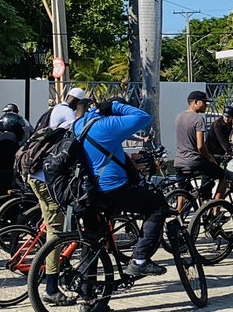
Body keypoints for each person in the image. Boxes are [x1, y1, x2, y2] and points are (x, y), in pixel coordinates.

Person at [68, 98, 171, 280]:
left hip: (87, 192)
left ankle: (88, 298)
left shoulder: (80, 123)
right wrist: (115, 106)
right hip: (111, 190)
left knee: (91, 242)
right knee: (158, 206)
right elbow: (143, 117)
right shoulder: (108, 124)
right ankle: (139, 260)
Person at [174, 91, 228, 200]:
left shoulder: (179, 117)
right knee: (224, 177)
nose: (206, 105)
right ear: (195, 102)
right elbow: (200, 146)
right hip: (194, 160)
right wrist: (209, 157)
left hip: (179, 160)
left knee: (183, 187)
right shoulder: (198, 119)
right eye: (204, 102)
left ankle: (179, 212)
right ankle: (215, 209)